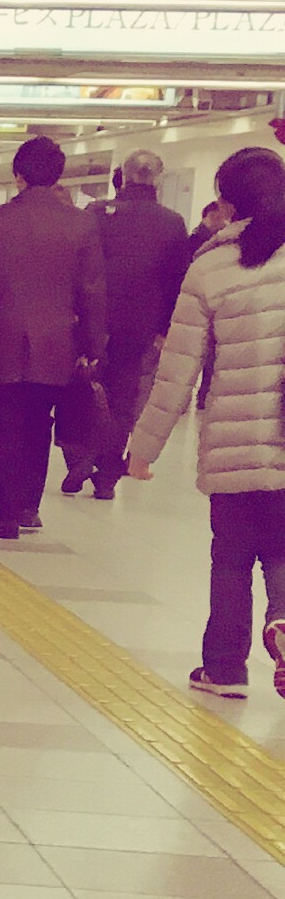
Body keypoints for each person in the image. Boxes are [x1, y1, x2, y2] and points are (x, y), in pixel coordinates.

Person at [126, 145, 285, 697]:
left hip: (235, 442)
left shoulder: (211, 267)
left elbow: (177, 372)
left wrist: (143, 450)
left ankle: (224, 668)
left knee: (232, 558)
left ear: (227, 204)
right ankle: (283, 620)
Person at [0, 135, 107, 539]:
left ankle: (5, 512)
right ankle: (29, 506)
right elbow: (91, 291)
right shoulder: (81, 225)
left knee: (5, 424)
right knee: (40, 423)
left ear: (18, 174)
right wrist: (93, 346)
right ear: (59, 175)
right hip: (57, 342)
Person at [83, 149, 192, 499]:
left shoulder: (96, 213)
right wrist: (163, 328)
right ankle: (107, 473)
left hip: (93, 320)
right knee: (123, 397)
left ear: (124, 176)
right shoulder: (172, 223)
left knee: (83, 388)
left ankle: (79, 456)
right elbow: (176, 280)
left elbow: (82, 267)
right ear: (158, 178)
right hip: (139, 325)